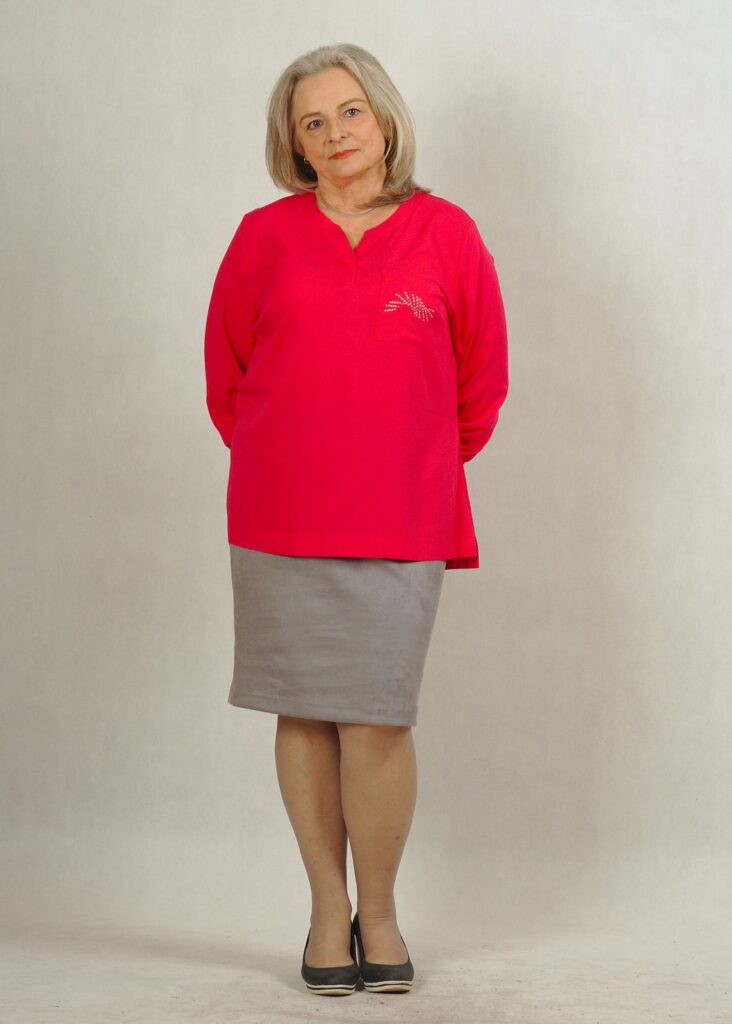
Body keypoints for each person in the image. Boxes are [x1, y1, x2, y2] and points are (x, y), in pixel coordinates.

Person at [204, 42, 509, 996]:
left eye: (349, 112)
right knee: (302, 708)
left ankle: (379, 912)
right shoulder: (262, 238)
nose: (335, 133)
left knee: (376, 719)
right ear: (294, 145)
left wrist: (407, 462)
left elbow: (480, 385)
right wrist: (292, 456)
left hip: (401, 514)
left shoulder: (448, 234)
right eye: (313, 121)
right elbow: (228, 378)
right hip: (281, 514)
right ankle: (325, 912)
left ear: (382, 119)